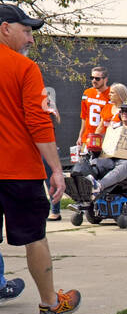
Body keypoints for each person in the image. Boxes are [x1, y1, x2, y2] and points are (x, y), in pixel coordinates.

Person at [0, 4, 81, 314]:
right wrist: (57, 170)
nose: (31, 39)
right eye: (27, 30)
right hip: (19, 170)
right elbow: (38, 124)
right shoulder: (24, 68)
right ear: (5, 28)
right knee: (34, 237)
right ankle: (50, 305)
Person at [77, 64, 112, 161]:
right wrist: (80, 136)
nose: (93, 81)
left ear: (105, 79)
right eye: (92, 78)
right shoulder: (87, 93)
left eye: (97, 78)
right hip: (87, 137)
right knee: (84, 166)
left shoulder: (111, 94)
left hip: (103, 138)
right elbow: (84, 116)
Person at [42, 84, 62, 221]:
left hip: (48, 149)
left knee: (51, 181)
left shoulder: (47, 105)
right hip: (32, 149)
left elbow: (56, 118)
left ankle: (55, 210)